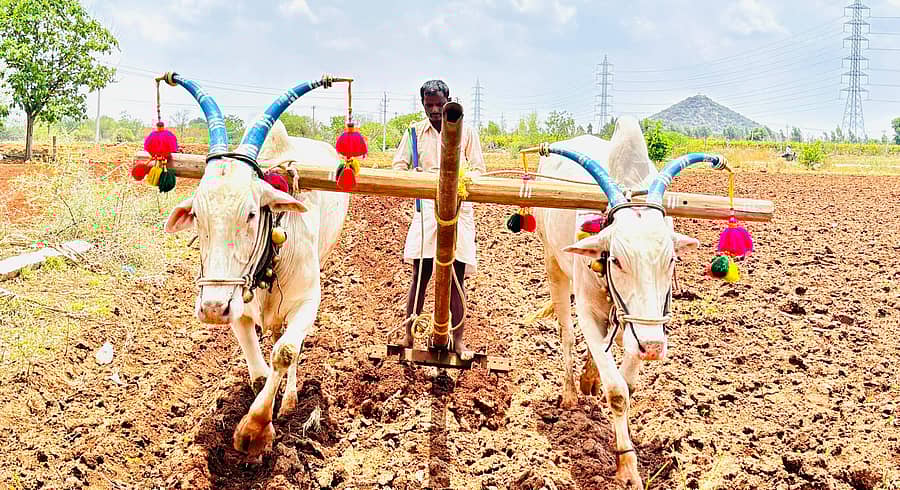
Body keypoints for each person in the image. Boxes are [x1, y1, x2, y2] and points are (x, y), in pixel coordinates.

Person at [392, 79, 485, 360]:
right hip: (425, 215)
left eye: (439, 104)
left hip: (459, 213)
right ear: (422, 104)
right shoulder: (413, 134)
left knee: (457, 277)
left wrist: (460, 183)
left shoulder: (467, 133)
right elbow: (398, 169)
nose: (434, 110)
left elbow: (479, 170)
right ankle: (409, 333)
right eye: (428, 105)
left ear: (449, 102)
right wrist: (423, 181)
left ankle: (458, 340)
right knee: (420, 275)